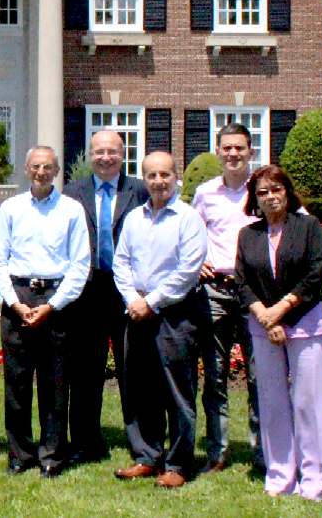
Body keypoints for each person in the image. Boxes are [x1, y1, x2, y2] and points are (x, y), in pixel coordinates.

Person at [0, 146, 91, 478]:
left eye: (48, 167)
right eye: (35, 166)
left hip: (56, 299)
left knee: (55, 383)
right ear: (26, 169)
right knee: (16, 382)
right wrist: (14, 301)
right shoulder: (10, 208)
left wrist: (52, 305)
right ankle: (19, 453)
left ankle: (51, 454)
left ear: (57, 170)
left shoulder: (71, 210)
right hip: (17, 294)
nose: (41, 172)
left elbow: (80, 265)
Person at [235, 165, 322, 502]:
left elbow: (315, 274)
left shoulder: (308, 227)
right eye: (263, 192)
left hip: (305, 324)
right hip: (264, 328)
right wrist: (266, 318)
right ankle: (279, 475)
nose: (270, 197)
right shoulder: (249, 234)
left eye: (276, 189)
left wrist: (282, 311)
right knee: (272, 403)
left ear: (287, 192)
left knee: (308, 404)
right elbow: (243, 282)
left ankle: (314, 479)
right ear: (255, 199)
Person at [113, 152, 207, 489]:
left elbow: (187, 272)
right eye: (151, 176)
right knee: (141, 387)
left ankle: (179, 463)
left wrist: (151, 302)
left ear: (175, 176)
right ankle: (147, 456)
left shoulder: (188, 218)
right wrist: (132, 300)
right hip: (137, 310)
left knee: (177, 390)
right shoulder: (135, 218)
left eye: (164, 175)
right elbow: (120, 262)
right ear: (144, 178)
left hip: (175, 313)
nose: (158, 182)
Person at [63, 131, 148, 463]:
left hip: (128, 289)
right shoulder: (73, 192)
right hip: (87, 291)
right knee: (85, 370)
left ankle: (141, 442)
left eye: (112, 151)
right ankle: (85, 442)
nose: (105, 157)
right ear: (91, 154)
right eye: (99, 152)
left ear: (122, 154)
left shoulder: (138, 190)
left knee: (133, 368)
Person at [191, 122, 262, 473]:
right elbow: (194, 233)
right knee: (215, 376)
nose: (233, 153)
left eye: (240, 147)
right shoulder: (205, 192)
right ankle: (217, 452)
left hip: (255, 296)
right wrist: (198, 258)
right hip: (215, 291)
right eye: (227, 147)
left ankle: (262, 451)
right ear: (218, 151)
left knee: (258, 375)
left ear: (251, 150)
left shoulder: (263, 190)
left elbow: (295, 222)